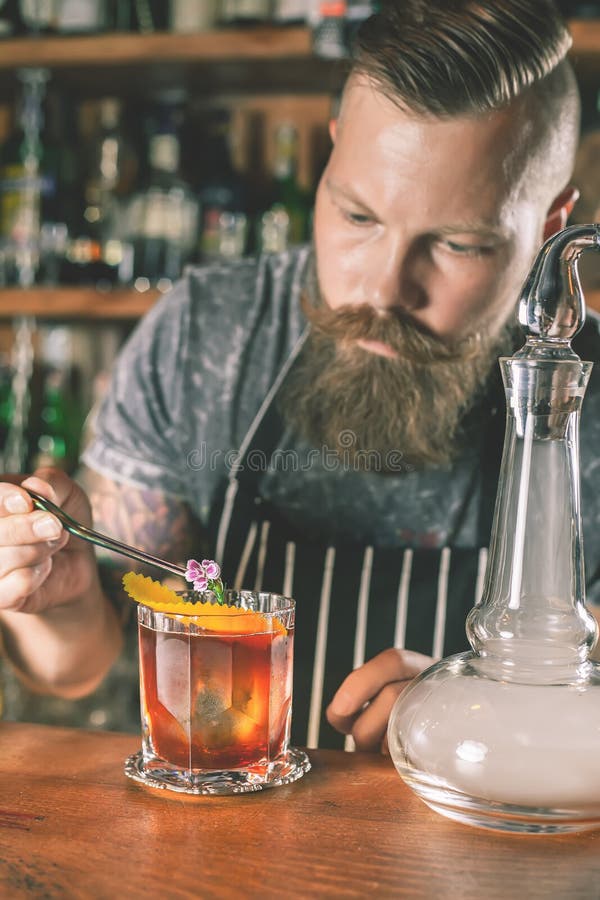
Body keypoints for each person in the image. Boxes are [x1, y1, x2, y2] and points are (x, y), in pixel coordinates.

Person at [0, 0, 598, 751]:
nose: (383, 290)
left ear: (550, 225)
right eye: (358, 217)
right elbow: (80, 668)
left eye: (457, 244)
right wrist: (59, 599)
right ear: (333, 151)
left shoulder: (583, 405)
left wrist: (485, 713)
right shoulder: (204, 337)